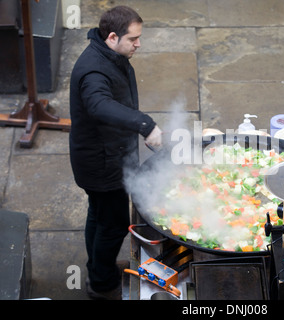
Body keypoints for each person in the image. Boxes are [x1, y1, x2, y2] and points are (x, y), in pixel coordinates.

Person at [69, 6, 162, 300]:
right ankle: (102, 284)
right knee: (113, 222)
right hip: (101, 164)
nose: (138, 44)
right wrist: (145, 125)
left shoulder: (109, 53)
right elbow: (98, 105)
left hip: (105, 155)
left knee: (98, 215)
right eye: (133, 39)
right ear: (112, 37)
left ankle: (99, 270)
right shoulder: (93, 70)